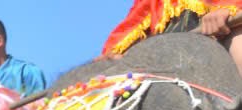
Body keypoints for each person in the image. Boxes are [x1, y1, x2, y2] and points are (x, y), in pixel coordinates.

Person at [102, 2, 242, 77]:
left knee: (238, 40)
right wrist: (115, 51)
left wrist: (231, 12)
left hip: (227, 34)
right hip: (166, 51)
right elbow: (135, 21)